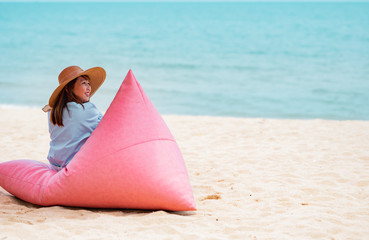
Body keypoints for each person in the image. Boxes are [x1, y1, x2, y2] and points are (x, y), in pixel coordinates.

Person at [42, 66, 106, 171]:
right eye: (83, 83)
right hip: (73, 166)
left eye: (88, 83)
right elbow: (107, 128)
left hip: (55, 165)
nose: (88, 87)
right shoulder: (88, 109)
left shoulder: (52, 110)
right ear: (68, 88)